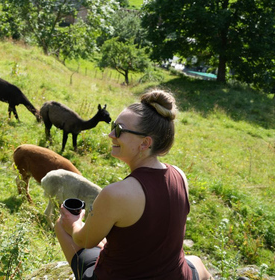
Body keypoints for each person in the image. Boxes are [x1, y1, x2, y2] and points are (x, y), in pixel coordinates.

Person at [54, 89, 213, 280]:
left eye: (119, 130)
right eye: (113, 126)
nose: (111, 134)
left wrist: (74, 223)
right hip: (178, 276)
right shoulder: (180, 175)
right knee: (196, 262)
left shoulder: (116, 194)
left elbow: (84, 240)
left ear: (145, 143)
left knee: (62, 224)